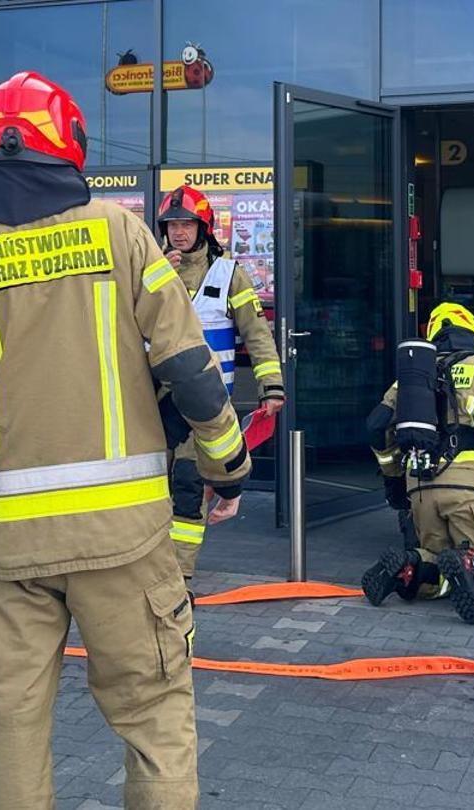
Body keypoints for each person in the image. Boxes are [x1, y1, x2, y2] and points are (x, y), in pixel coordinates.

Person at [0, 70, 249, 809]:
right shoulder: (122, 232)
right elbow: (189, 369)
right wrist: (228, 466)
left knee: (14, 720)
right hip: (125, 537)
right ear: (72, 146)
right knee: (154, 717)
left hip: (10, 549)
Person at [358, 305, 474, 625]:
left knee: (435, 562)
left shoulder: (412, 378)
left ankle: (409, 568)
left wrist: (394, 479)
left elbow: (376, 428)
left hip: (421, 488)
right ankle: (470, 565)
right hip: (469, 488)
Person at [155, 183, 285, 578]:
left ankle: (181, 576)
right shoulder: (154, 271)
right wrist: (162, 276)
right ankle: (150, 572)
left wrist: (272, 385)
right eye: (172, 224)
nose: (178, 232)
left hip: (207, 404)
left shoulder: (230, 275)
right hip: (154, 401)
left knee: (189, 486)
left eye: (187, 224)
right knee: (151, 489)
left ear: (204, 227)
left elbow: (257, 334)